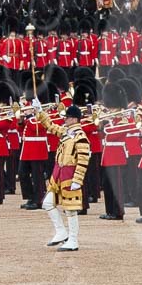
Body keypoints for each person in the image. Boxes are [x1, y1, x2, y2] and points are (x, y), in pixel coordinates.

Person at [43, 104, 92, 251]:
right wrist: (40, 112)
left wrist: (78, 180)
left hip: (71, 175)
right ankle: (61, 232)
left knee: (70, 210)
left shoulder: (80, 136)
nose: (65, 120)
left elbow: (83, 160)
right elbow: (50, 127)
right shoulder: (67, 132)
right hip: (59, 174)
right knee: (48, 203)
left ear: (74, 119)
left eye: (67, 117)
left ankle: (73, 240)